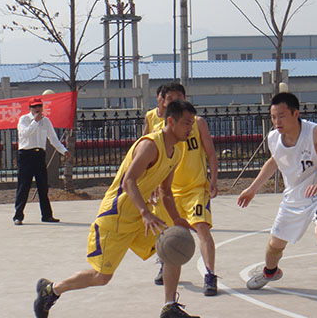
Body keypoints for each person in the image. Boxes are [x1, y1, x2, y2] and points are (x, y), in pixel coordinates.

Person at [32, 100, 201, 318]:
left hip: (141, 217)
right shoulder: (150, 145)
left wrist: (177, 219)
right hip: (116, 216)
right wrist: (145, 212)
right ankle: (51, 290)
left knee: (172, 247)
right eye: (187, 123)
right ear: (171, 121)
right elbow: (129, 181)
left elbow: (165, 191)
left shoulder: (176, 151)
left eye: (192, 124)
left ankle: (170, 307)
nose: (190, 129)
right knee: (101, 277)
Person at [238, 92, 317, 312]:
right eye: (273, 117)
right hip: (293, 198)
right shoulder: (273, 138)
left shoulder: (314, 132)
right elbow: (274, 162)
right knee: (274, 246)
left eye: (281, 116)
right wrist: (252, 189)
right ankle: (270, 272)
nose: (277, 121)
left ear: (295, 113)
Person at [151, 83, 220, 296]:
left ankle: (210, 274)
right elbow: (154, 162)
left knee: (202, 228)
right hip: (169, 191)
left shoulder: (197, 123)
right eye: (170, 98)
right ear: (163, 102)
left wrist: (214, 179)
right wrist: (152, 185)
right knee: (168, 232)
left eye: (179, 97)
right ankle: (165, 263)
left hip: (195, 188)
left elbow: (210, 152)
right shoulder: (159, 130)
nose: (175, 101)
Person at [13, 97, 70, 225]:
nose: (37, 109)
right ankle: (18, 216)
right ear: (30, 108)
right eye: (34, 107)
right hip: (26, 155)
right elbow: (25, 134)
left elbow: (53, 139)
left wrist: (63, 150)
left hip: (39, 155)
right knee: (24, 186)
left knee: (43, 186)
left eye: (39, 106)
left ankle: (47, 215)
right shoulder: (24, 119)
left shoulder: (46, 121)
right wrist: (35, 121)